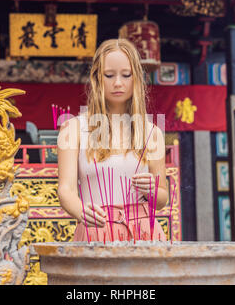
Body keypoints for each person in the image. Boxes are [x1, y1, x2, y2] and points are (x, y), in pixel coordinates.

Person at [57, 38, 168, 242]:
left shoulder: (152, 133)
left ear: (136, 78)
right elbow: (66, 188)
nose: (118, 83)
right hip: (96, 229)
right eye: (109, 75)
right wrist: (80, 211)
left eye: (126, 75)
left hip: (144, 233)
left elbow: (162, 199)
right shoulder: (73, 128)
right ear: (97, 79)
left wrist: (153, 190)